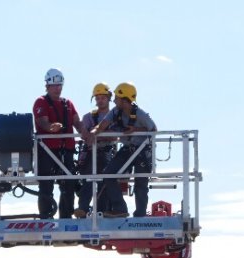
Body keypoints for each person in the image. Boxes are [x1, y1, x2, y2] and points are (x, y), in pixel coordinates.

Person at [97, 82, 157, 218]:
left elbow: (153, 129)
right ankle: (120, 209)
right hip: (128, 149)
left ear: (124, 100)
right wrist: (93, 133)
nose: (114, 100)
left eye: (117, 98)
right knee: (109, 174)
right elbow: (102, 125)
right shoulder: (115, 112)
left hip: (142, 151)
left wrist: (135, 130)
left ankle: (140, 215)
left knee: (141, 183)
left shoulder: (140, 114)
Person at [32, 69, 85, 219]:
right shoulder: (41, 102)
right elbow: (42, 121)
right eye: (55, 85)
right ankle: (46, 217)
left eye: (60, 85)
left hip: (66, 150)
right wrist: (50, 127)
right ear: (47, 86)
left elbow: (77, 122)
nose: (58, 88)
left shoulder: (68, 104)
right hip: (47, 151)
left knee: (68, 185)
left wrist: (85, 133)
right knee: (46, 185)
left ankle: (66, 218)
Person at [74, 83, 115, 219]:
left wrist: (98, 135)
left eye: (103, 97)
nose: (100, 100)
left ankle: (101, 212)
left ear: (109, 98)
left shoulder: (115, 115)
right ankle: (83, 209)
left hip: (107, 153)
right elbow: (83, 134)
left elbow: (116, 135)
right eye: (97, 98)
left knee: (105, 182)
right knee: (88, 180)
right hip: (91, 154)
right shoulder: (88, 117)